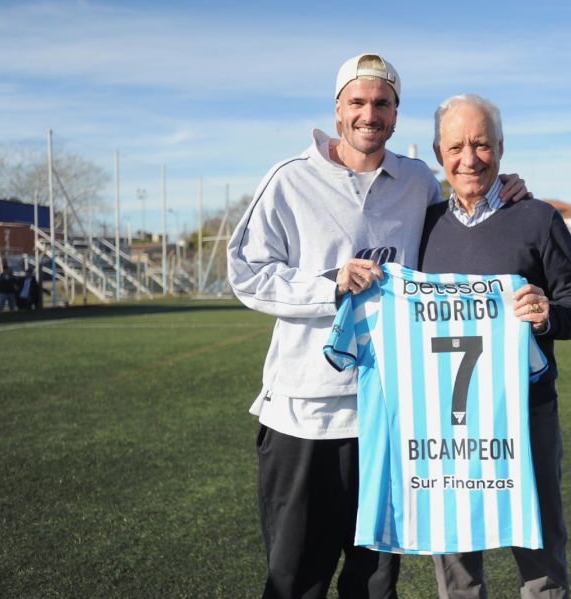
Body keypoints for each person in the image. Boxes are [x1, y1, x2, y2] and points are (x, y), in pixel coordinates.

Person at [227, 54, 530, 599]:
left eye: (383, 103)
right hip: (306, 413)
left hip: (389, 417)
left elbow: (462, 216)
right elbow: (246, 274)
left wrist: (503, 190)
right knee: (295, 579)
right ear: (339, 109)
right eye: (359, 102)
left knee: (374, 585)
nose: (370, 114)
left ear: (396, 113)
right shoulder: (290, 179)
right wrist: (329, 286)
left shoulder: (416, 182)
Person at [419, 94, 571, 599]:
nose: (469, 158)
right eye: (456, 146)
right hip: (447, 416)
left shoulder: (538, 218)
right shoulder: (424, 226)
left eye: (481, 144)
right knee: (454, 551)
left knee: (539, 544)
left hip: (526, 410)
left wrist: (548, 317)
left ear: (500, 147)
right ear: (438, 152)